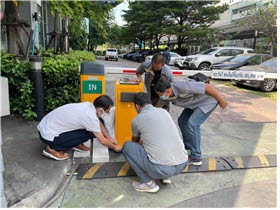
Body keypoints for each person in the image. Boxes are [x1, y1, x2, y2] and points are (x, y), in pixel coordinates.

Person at [122, 92, 188, 193]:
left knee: (127, 147)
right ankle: (167, 177)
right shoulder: (164, 112)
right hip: (182, 164)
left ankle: (148, 184)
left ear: (137, 106)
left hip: (162, 169)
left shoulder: (137, 120)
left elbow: (134, 143)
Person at [154, 77, 228, 166]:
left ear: (168, 91)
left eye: (161, 94)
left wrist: (221, 100)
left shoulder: (183, 86)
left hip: (207, 101)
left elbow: (207, 87)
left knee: (193, 124)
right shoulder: (165, 96)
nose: (160, 97)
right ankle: (188, 147)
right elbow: (157, 108)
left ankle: (196, 157)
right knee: (182, 121)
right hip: (194, 104)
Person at [37, 95, 122, 161]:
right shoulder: (89, 116)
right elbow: (102, 140)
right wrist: (114, 147)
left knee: (92, 129)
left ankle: (74, 143)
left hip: (45, 128)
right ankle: (52, 150)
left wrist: (109, 138)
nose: (106, 113)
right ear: (100, 109)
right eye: (106, 111)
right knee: (91, 133)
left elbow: (98, 123)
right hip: (48, 136)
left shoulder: (88, 105)